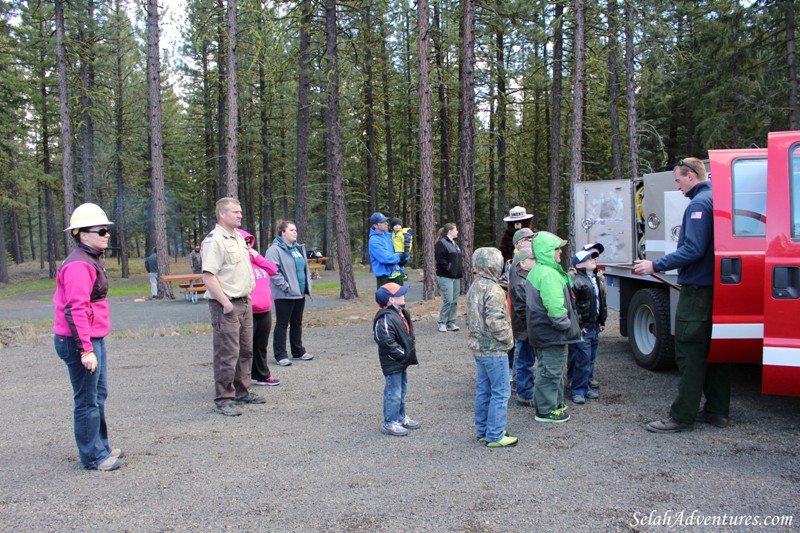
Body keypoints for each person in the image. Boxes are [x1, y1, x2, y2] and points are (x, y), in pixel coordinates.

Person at [634, 157, 730, 433]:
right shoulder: (715, 200)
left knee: (689, 352)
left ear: (690, 176)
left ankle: (682, 416)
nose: (677, 187)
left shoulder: (699, 204)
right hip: (715, 290)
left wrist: (655, 265)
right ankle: (717, 411)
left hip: (698, 294)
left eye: (678, 180)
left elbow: (693, 249)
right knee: (717, 352)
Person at [54, 203, 122, 471]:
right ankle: (93, 457)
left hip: (92, 338)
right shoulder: (79, 265)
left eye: (107, 231)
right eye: (102, 231)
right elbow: (75, 309)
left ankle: (101, 447)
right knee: (86, 399)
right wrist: (85, 349)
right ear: (82, 234)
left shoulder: (91, 258)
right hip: (78, 340)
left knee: (98, 394)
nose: (107, 235)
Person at [201, 198, 263, 416]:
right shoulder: (214, 240)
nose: (240, 215)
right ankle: (223, 399)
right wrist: (225, 303)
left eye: (241, 211)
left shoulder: (238, 237)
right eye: (235, 212)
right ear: (222, 214)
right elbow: (208, 276)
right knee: (227, 353)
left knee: (245, 350)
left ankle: (241, 392)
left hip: (244, 302)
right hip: (226, 305)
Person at [525, 231, 582, 423]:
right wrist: (566, 326)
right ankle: (546, 410)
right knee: (551, 370)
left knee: (551, 368)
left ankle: (555, 403)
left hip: (543, 332)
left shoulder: (542, 270)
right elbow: (555, 307)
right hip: (551, 333)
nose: (560, 252)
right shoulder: (548, 273)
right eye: (557, 248)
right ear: (548, 251)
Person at [467, 247, 517, 447]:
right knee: (501, 391)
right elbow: (496, 322)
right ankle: (495, 434)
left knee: (484, 389)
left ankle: (483, 430)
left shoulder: (475, 285)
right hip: (494, 349)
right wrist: (508, 340)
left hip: (479, 347)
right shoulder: (494, 290)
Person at [265, 220, 314, 367]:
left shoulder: (297, 248)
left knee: (297, 322)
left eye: (295, 230)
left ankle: (298, 351)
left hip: (299, 293)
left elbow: (303, 269)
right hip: (284, 294)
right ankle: (280, 355)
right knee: (282, 323)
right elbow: (273, 271)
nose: (295, 232)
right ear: (283, 232)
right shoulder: (274, 250)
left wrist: (306, 286)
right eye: (291, 230)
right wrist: (286, 287)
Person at [373, 282, 420, 436]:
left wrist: (406, 354)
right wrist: (402, 354)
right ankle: (390, 422)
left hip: (401, 361)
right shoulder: (385, 318)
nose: (403, 295)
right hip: (393, 362)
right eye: (399, 293)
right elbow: (386, 342)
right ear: (391, 300)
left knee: (402, 390)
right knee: (393, 392)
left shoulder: (402, 313)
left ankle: (400, 417)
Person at [237, 229, 280, 387]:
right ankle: (241, 381)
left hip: (265, 310)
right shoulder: (238, 262)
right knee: (245, 349)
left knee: (261, 346)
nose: (247, 245)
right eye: (244, 242)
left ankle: (262, 375)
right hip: (248, 310)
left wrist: (257, 256)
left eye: (249, 242)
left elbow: (273, 270)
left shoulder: (256, 260)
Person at [567, 246, 607, 404]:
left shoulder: (596, 278)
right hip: (583, 328)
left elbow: (601, 302)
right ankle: (577, 389)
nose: (592, 260)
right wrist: (580, 325)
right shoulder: (576, 281)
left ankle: (585, 386)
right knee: (581, 360)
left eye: (593, 258)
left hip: (594, 326)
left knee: (590, 359)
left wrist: (601, 320)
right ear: (578, 265)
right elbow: (574, 307)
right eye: (587, 259)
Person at [509, 248, 537, 408]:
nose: (536, 261)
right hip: (524, 330)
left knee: (526, 360)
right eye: (533, 259)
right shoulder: (520, 282)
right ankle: (524, 394)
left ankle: (526, 390)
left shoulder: (525, 278)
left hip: (526, 329)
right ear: (523, 263)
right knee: (525, 361)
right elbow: (523, 311)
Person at [434, 223, 463, 332]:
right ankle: (441, 322)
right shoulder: (441, 243)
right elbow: (440, 259)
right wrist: (449, 268)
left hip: (456, 276)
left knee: (454, 300)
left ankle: (451, 322)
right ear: (450, 231)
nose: (457, 232)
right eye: (456, 230)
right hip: (445, 276)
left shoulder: (454, 244)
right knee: (448, 300)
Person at [368, 212, 405, 288]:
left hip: (398, 274)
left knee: (400, 299)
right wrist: (401, 257)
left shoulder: (391, 235)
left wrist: (405, 255)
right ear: (375, 225)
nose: (386, 223)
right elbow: (385, 258)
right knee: (387, 300)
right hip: (385, 279)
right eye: (382, 222)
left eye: (386, 221)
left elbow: (402, 248)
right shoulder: (374, 240)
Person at [389, 217, 413, 281]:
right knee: (400, 265)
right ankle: (402, 274)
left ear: (401, 226)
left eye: (399, 225)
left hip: (402, 252)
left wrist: (406, 251)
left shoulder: (403, 233)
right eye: (395, 225)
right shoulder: (394, 234)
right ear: (392, 227)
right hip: (397, 251)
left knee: (394, 261)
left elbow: (407, 241)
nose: (397, 226)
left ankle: (396, 271)